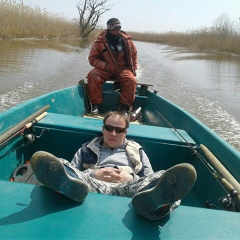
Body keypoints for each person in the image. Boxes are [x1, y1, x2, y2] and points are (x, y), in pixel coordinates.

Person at [31, 111, 197, 220]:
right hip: (91, 187)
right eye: (109, 128)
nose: (113, 133)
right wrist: (92, 175)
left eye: (119, 130)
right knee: (61, 163)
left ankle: (154, 204)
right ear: (103, 129)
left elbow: (150, 178)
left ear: (125, 133)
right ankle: (68, 191)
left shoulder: (137, 151)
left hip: (129, 188)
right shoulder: (85, 149)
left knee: (164, 176)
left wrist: (131, 177)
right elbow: (74, 171)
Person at [87, 18, 138, 115]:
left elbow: (134, 55)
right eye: (115, 28)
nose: (118, 30)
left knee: (132, 81)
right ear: (109, 29)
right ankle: (95, 105)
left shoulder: (127, 41)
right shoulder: (99, 42)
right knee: (92, 75)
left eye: (119, 28)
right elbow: (92, 59)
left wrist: (134, 68)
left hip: (123, 69)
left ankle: (124, 108)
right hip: (106, 69)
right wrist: (106, 66)